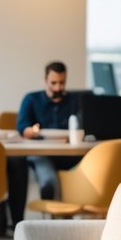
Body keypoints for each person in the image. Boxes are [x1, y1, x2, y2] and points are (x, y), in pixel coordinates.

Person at [15, 60, 80, 205]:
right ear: (45, 81)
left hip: (69, 153)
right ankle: (49, 193)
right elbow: (22, 127)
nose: (58, 87)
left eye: (62, 83)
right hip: (41, 152)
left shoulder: (74, 100)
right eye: (54, 83)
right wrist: (31, 131)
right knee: (43, 165)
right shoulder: (31, 99)